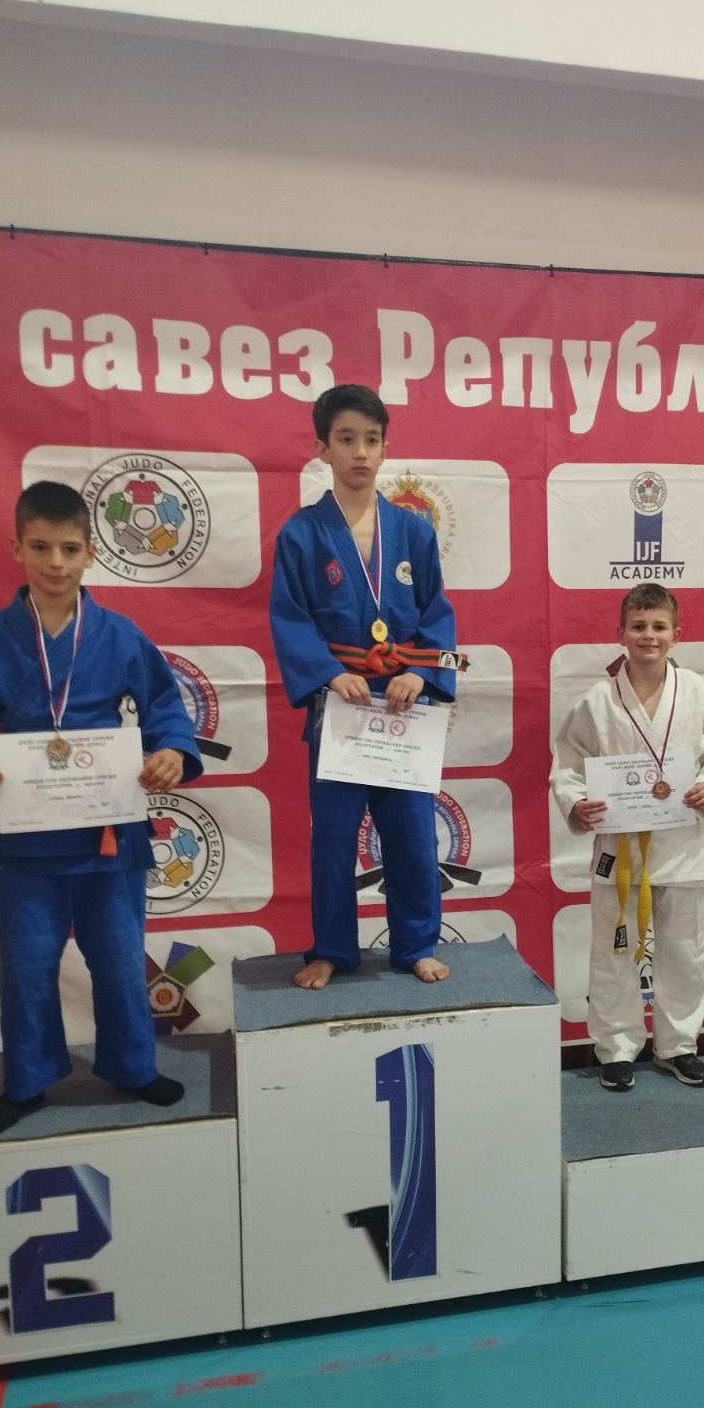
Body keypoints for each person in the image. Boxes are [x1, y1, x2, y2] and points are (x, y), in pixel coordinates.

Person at [0, 481, 201, 1136]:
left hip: (109, 833)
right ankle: (27, 1080)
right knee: (26, 966)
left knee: (121, 959)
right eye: (41, 546)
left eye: (69, 548)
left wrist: (172, 751)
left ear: (91, 552)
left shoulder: (119, 634)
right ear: (16, 547)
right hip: (27, 838)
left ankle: (133, 1067)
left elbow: (165, 708)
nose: (55, 562)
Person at [270, 383, 458, 990]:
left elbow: (436, 614)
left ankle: (415, 944)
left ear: (385, 449)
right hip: (340, 708)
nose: (360, 452)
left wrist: (420, 672)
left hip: (403, 706)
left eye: (371, 440)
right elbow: (291, 617)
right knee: (332, 839)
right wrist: (328, 672)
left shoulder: (414, 532)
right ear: (322, 448)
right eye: (346, 439)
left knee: (411, 833)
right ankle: (331, 948)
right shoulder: (301, 534)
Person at [550, 585, 704, 1090]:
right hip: (618, 847)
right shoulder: (598, 701)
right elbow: (568, 763)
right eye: (638, 626)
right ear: (620, 633)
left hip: (678, 844)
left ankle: (678, 1045)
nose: (649, 636)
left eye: (659, 627)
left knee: (685, 950)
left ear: (677, 634)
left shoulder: (696, 691)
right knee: (614, 951)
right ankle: (616, 1047)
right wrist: (577, 802)